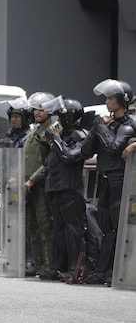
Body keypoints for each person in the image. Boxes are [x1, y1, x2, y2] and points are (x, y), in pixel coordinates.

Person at [75, 79, 136, 286]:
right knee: (106, 228)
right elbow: (85, 151)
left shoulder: (129, 125)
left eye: (110, 98)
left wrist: (101, 126)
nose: (107, 102)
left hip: (120, 181)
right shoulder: (109, 123)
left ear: (122, 100)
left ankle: (117, 271)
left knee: (119, 227)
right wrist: (96, 128)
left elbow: (113, 148)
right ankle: (103, 271)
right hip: (105, 180)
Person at [41, 97, 89, 283]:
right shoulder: (61, 136)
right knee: (58, 229)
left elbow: (69, 157)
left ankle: (74, 268)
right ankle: (57, 267)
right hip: (56, 189)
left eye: (60, 118)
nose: (57, 122)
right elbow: (47, 159)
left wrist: (56, 138)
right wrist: (47, 141)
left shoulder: (80, 136)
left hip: (70, 190)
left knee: (73, 230)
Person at [23, 91, 55, 277]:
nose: (37, 112)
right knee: (32, 226)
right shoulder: (34, 131)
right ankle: (38, 263)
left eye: (41, 109)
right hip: (28, 186)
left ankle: (48, 265)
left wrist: (32, 179)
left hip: (41, 184)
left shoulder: (52, 129)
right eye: (35, 109)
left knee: (44, 225)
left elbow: (48, 162)